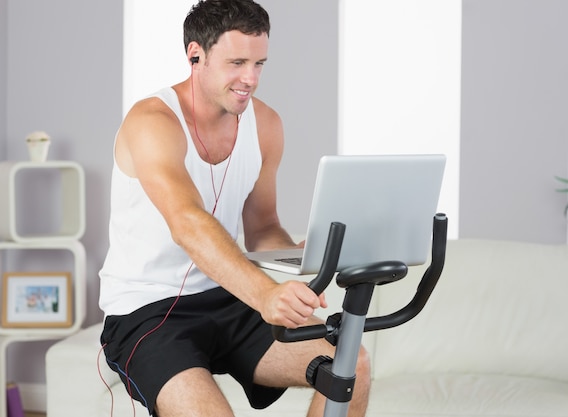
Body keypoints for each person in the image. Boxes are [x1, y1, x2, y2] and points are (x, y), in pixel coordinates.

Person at [98, 1, 370, 416]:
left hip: (226, 296)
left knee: (352, 364)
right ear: (195, 55)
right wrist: (265, 294)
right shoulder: (152, 122)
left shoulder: (266, 125)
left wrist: (302, 257)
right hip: (147, 312)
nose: (251, 79)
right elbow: (187, 223)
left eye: (260, 63)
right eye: (237, 62)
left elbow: (263, 227)